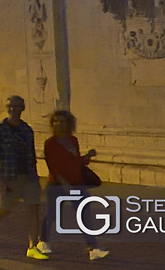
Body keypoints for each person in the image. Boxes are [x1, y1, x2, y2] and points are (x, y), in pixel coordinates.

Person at [0, 95, 45, 260]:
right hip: (7, 176)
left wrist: (35, 176)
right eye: (10, 106)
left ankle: (32, 246)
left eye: (17, 106)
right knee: (4, 209)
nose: (13, 109)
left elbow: (31, 154)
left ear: (23, 108)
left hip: (28, 176)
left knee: (32, 209)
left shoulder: (27, 129)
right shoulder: (0, 129)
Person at [43, 110, 108, 261]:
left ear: (68, 124)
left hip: (77, 184)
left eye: (62, 121)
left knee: (84, 216)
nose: (58, 124)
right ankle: (43, 241)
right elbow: (53, 166)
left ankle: (92, 248)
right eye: (55, 121)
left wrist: (88, 156)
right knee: (52, 215)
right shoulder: (50, 143)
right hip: (56, 186)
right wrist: (65, 184)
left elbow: (76, 163)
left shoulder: (73, 140)